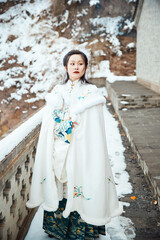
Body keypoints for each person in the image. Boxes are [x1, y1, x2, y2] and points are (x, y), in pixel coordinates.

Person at [26, 50, 123, 239]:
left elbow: (93, 125)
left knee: (82, 183)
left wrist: (75, 123)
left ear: (85, 67)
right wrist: (60, 122)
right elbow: (49, 119)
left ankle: (84, 229)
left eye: (80, 63)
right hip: (59, 148)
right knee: (61, 186)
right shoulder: (57, 91)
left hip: (82, 149)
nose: (76, 67)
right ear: (66, 67)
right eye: (72, 63)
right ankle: (58, 229)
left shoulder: (91, 92)